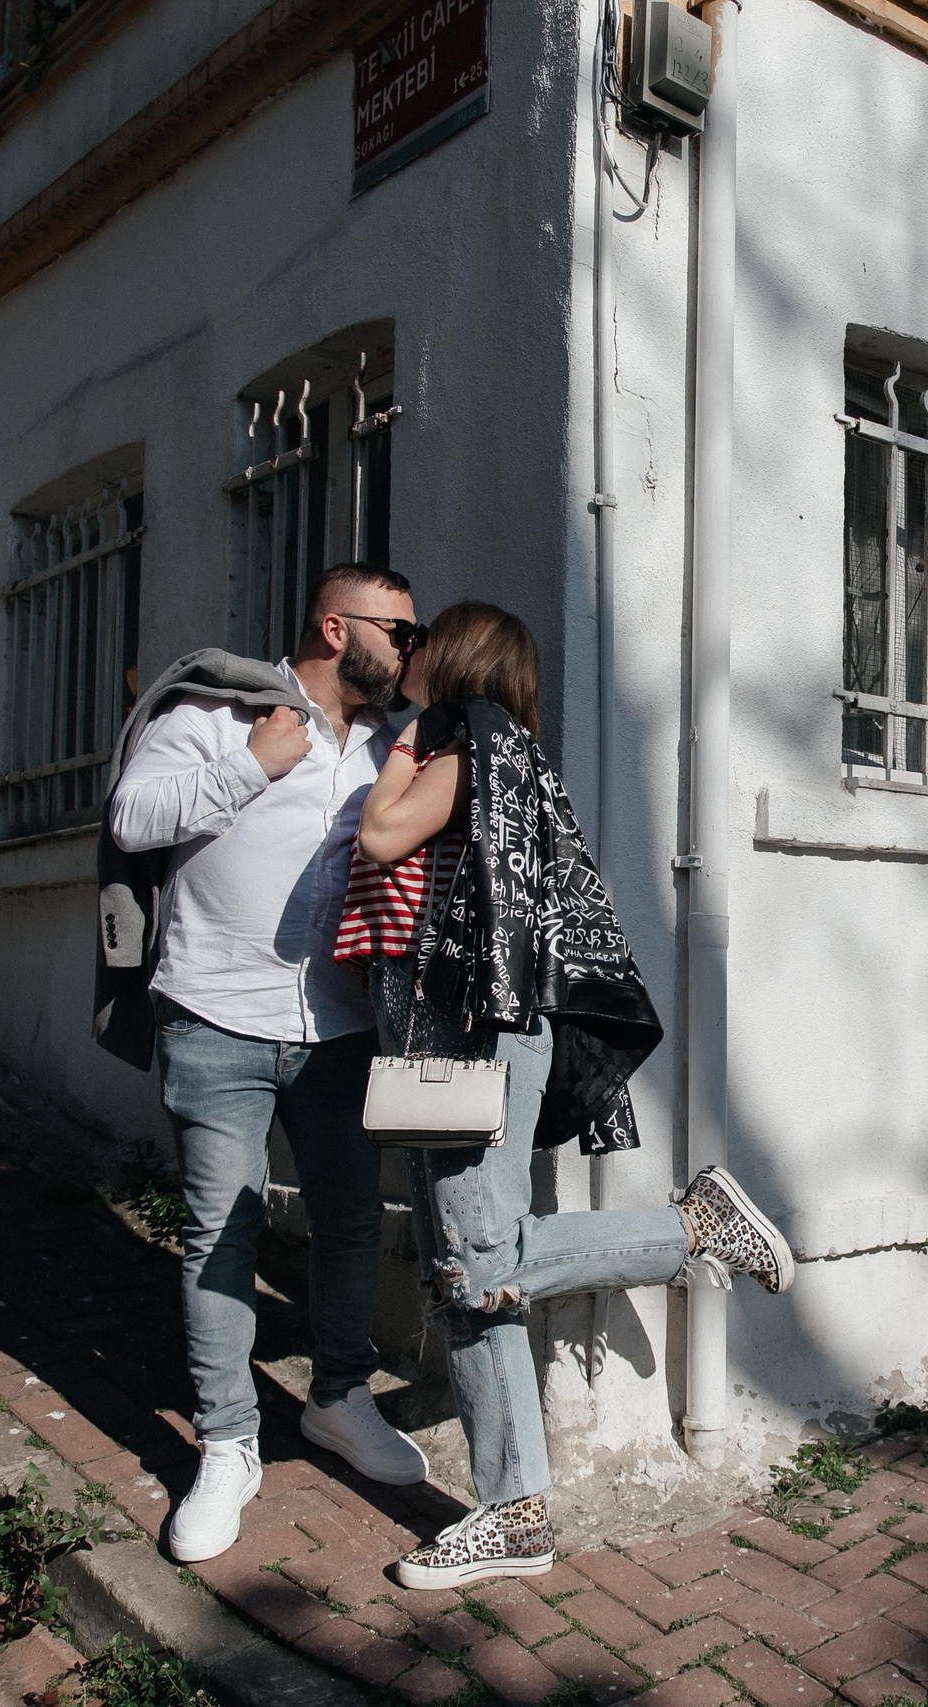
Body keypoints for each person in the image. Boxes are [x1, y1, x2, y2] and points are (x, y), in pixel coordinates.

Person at [335, 600, 792, 1590]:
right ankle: (515, 1515)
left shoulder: (458, 745)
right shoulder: (501, 755)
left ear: (452, 661)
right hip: (477, 1023)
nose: (405, 660)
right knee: (469, 1274)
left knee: (474, 1257)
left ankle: (691, 1229)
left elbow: (378, 840)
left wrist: (408, 737)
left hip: (467, 1025)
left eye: (421, 645)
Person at [100, 562, 439, 1564]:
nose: (412, 650)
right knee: (222, 1228)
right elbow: (131, 818)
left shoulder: (388, 740)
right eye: (402, 632)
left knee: (344, 1220)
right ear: (337, 629)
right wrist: (253, 765)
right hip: (214, 1015)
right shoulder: (218, 714)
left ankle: (336, 1397)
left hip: (338, 1030)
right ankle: (228, 1444)